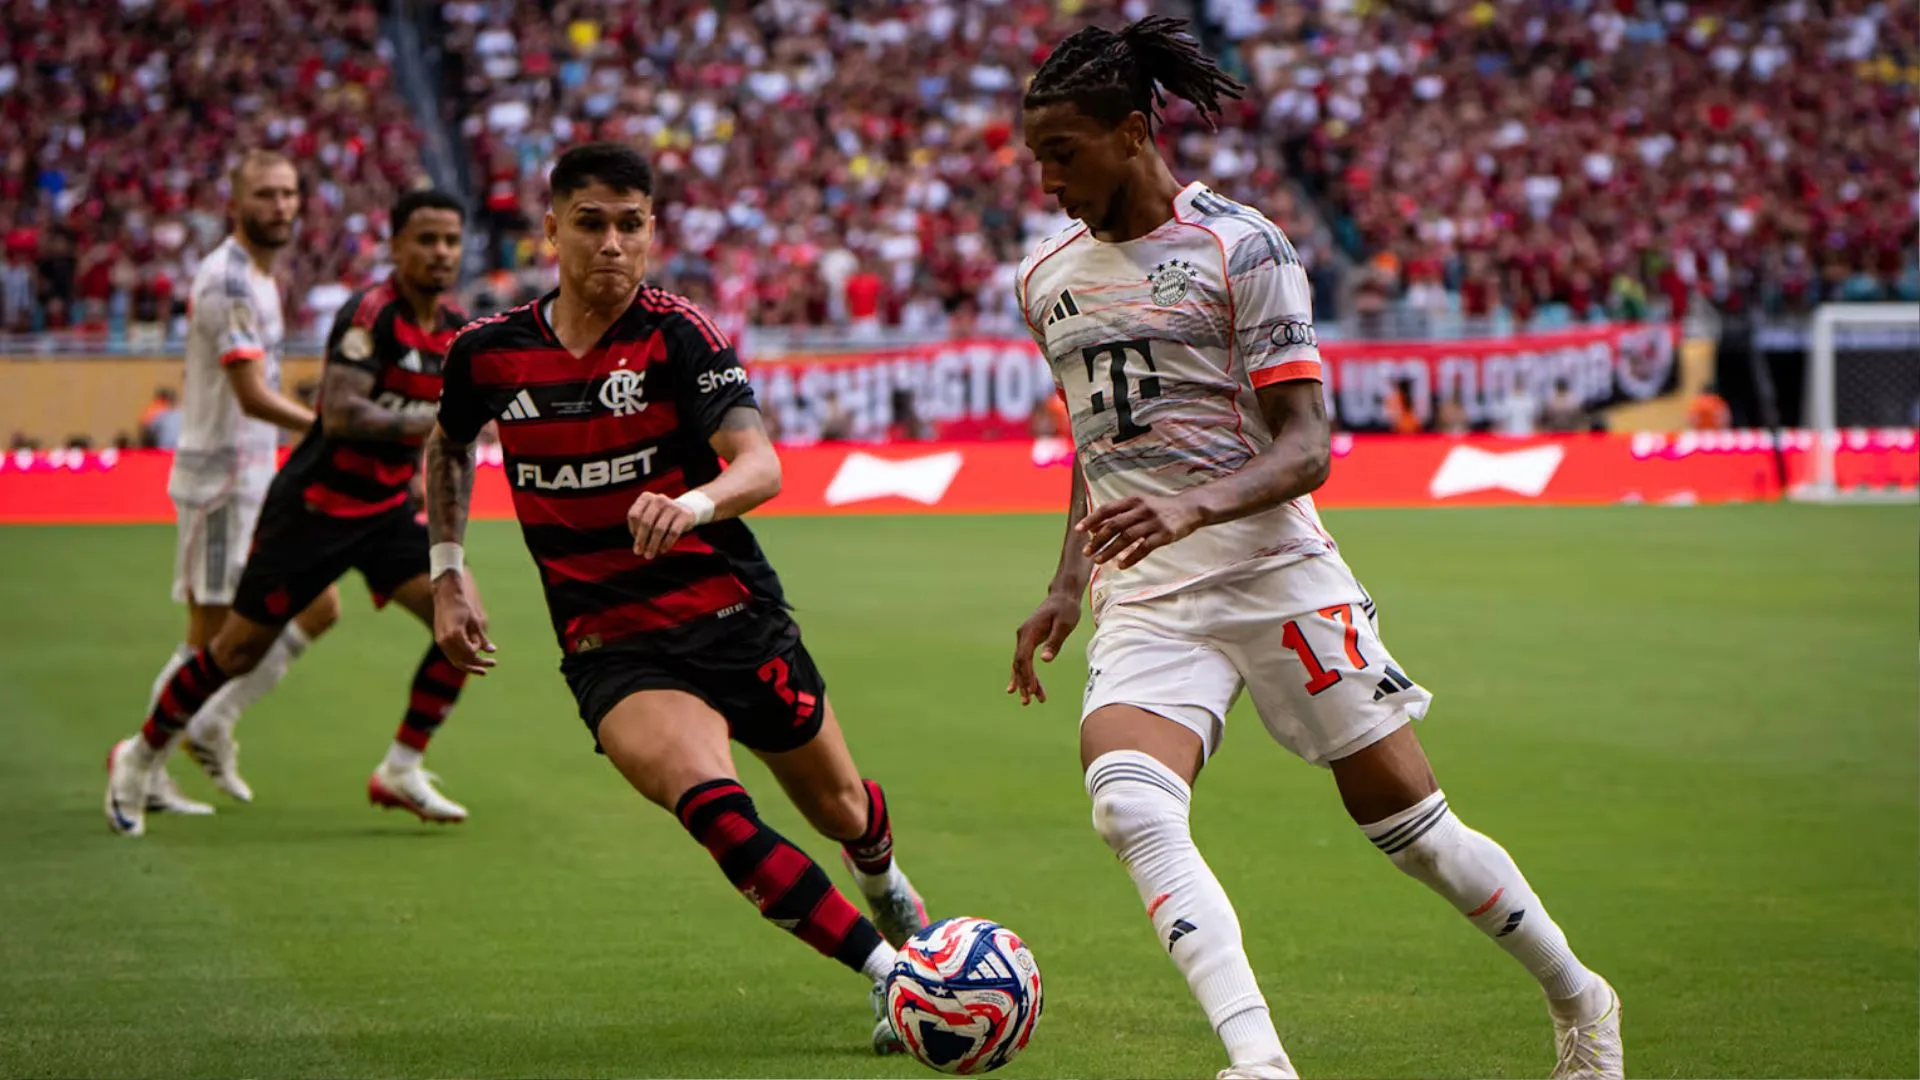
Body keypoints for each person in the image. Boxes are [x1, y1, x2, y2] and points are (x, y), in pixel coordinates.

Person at [1005, 19, 1623, 1080]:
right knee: (1128, 802)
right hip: (1149, 592)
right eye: (1036, 157)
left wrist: (1193, 509)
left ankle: (1581, 998)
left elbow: (1307, 450)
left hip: (1274, 573)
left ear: (1131, 131)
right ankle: (1261, 1064)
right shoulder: (1048, 278)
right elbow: (1096, 439)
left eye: (1062, 152)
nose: (1046, 179)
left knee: (1416, 833)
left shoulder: (1242, 248)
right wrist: (1066, 581)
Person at [422, 143, 927, 1052]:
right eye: (591, 224)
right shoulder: (488, 355)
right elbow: (450, 443)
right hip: (612, 644)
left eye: (631, 225)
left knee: (841, 807)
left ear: (652, 232)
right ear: (549, 230)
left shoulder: (678, 334)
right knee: (714, 809)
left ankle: (888, 887)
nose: (612, 244)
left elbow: (762, 464)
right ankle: (897, 977)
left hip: (731, 614)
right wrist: (447, 567)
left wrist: (693, 503)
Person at [106, 190, 478, 835]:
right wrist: (439, 424)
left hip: (386, 511)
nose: (440, 252)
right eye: (426, 239)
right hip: (314, 511)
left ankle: (401, 767)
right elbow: (342, 413)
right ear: (395, 246)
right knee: (234, 650)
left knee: (463, 628)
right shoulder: (370, 314)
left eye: (450, 240)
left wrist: (426, 482)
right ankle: (138, 758)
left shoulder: (455, 328)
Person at [121, 150, 341, 826]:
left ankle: (209, 724)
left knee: (319, 604)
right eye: (266, 194)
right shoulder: (231, 282)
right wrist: (330, 429)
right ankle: (140, 759)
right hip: (219, 480)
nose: (279, 206)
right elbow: (250, 393)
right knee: (210, 639)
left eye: (287, 194)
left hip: (254, 476)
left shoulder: (263, 279)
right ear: (236, 204)